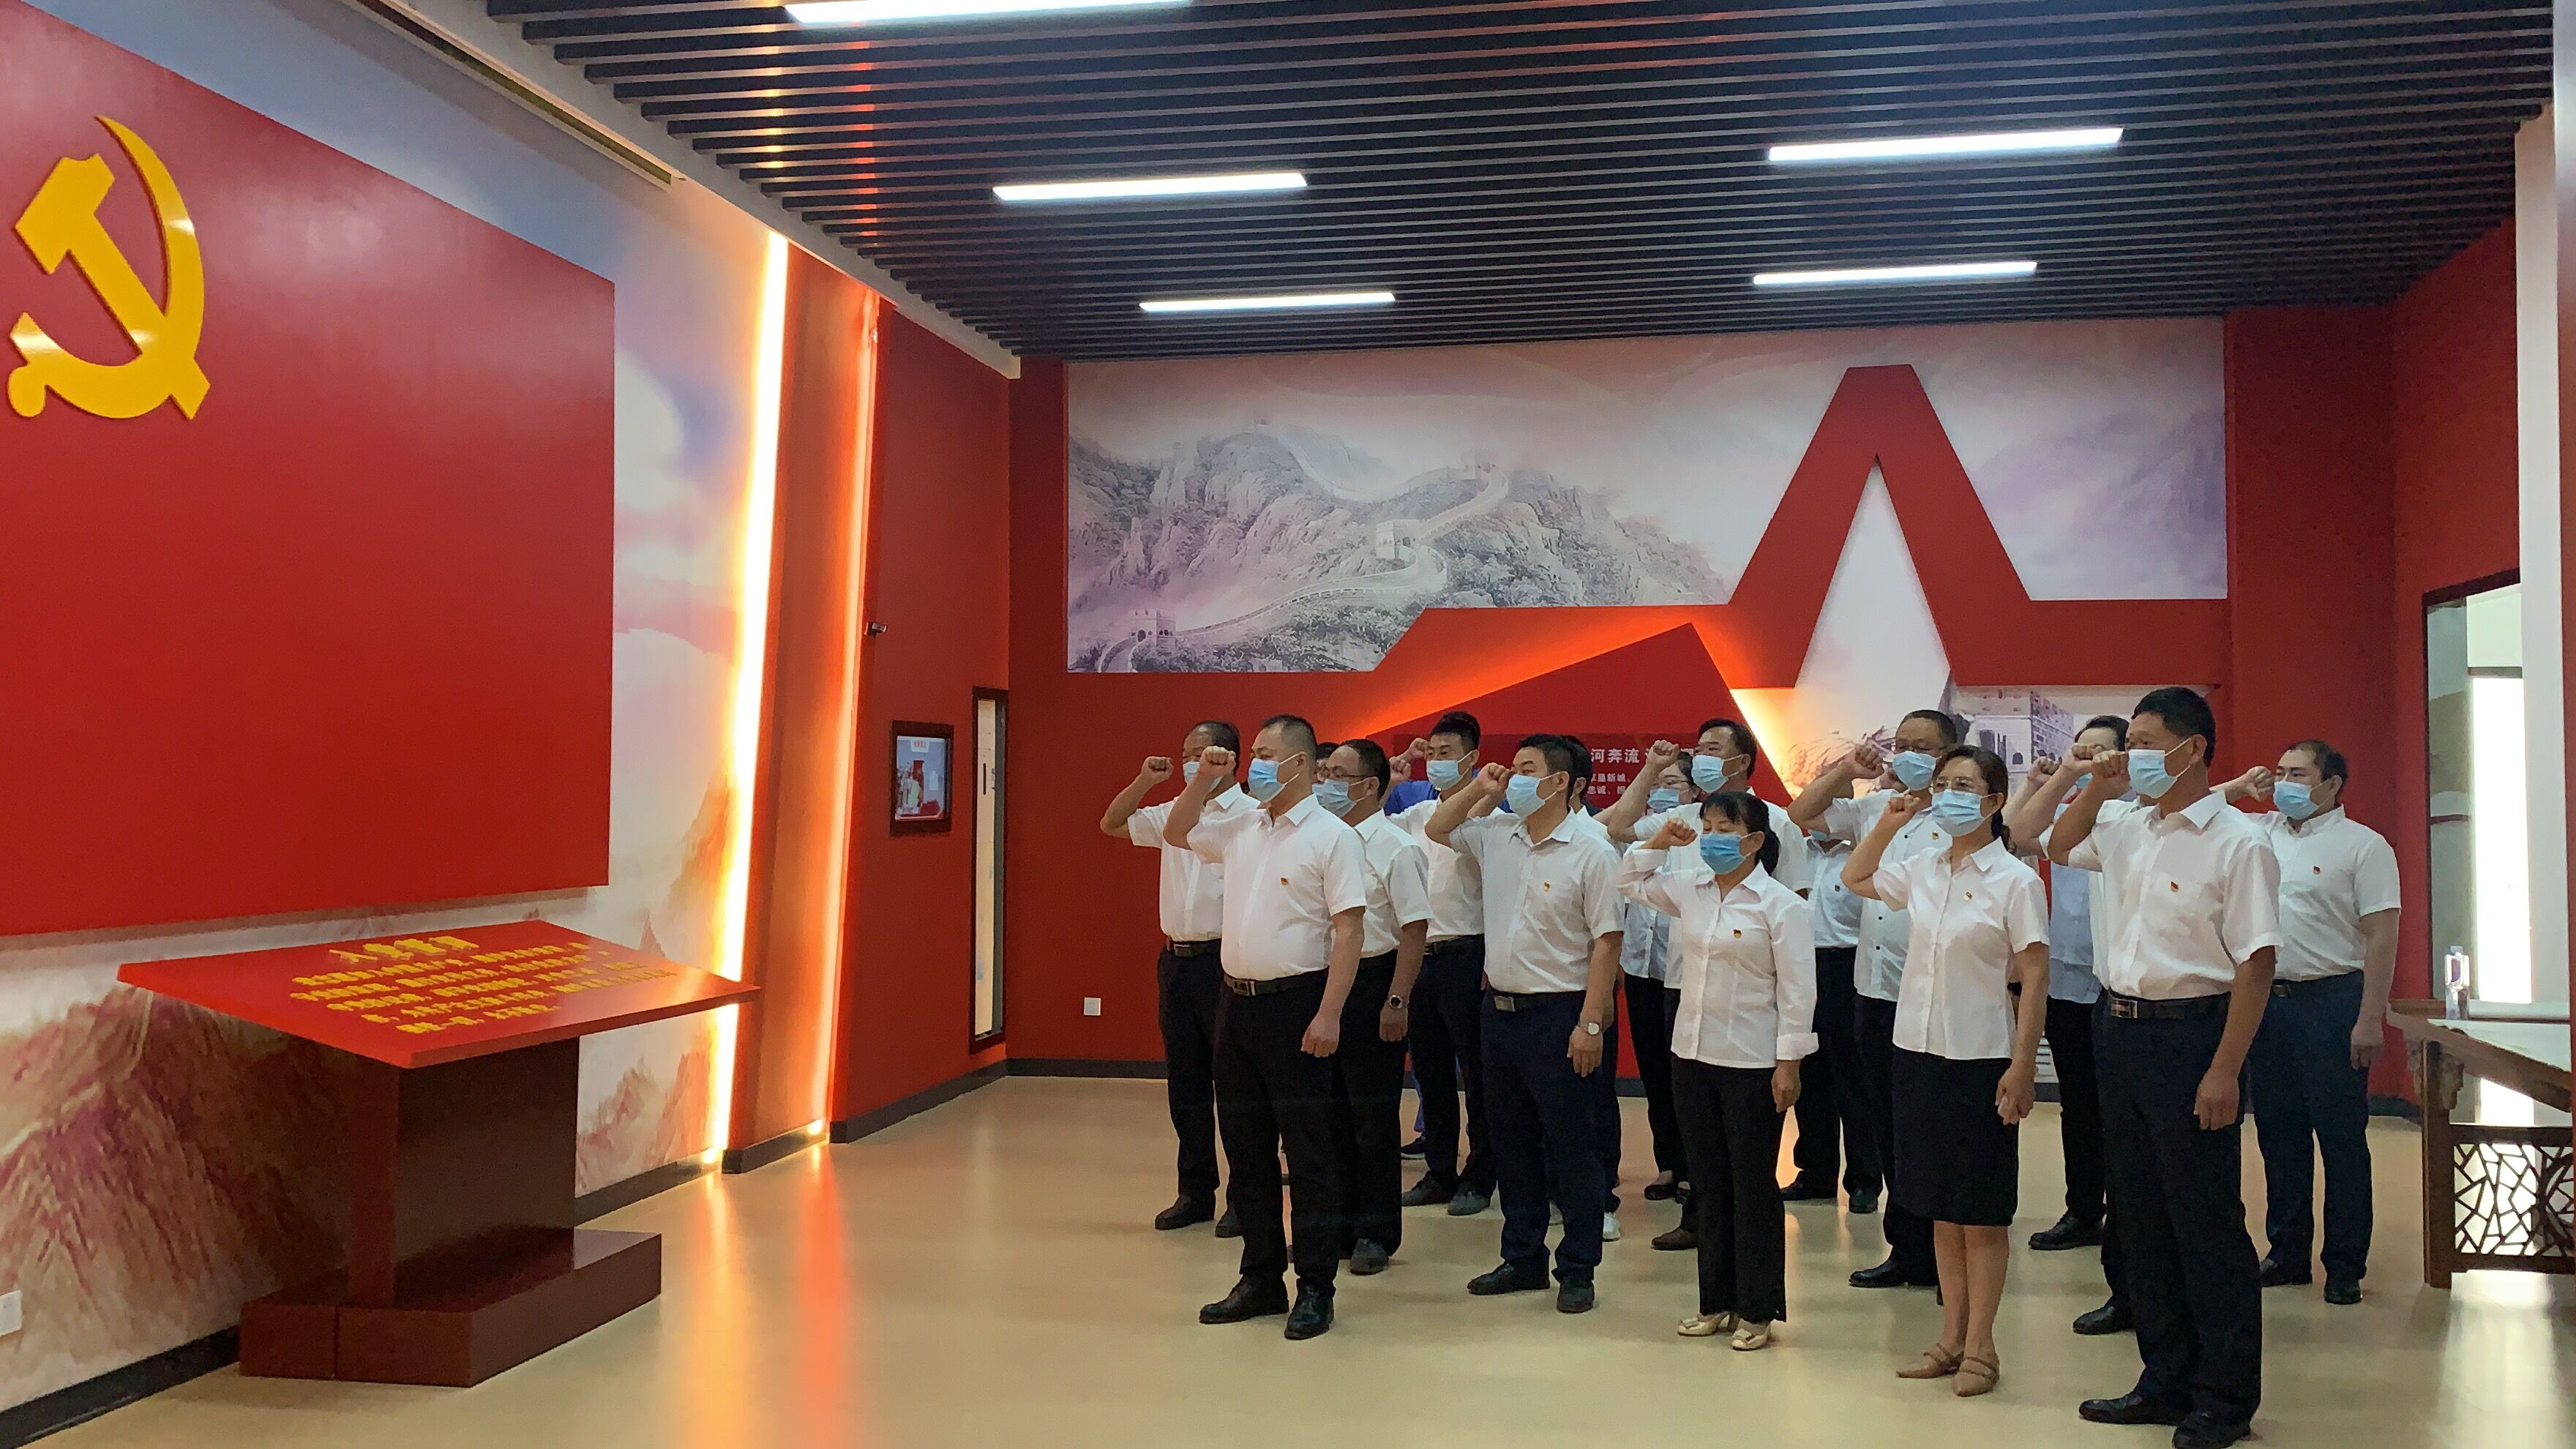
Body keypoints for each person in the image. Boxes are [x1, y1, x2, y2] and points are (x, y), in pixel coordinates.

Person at [2051, 687, 2278, 1449]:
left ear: (2194, 748)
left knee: (2203, 1221)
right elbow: (2058, 845)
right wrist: (2097, 784)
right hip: (2118, 1030)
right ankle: (2164, 1378)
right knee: (2140, 1215)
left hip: (2193, 1037)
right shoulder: (2128, 826)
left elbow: (2255, 964)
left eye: (2146, 742)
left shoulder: (2237, 841)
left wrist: (2224, 1072)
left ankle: (2224, 1397)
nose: (2133, 754)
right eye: (2131, 741)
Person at [1846, 746, 2050, 1398]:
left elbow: (2035, 976)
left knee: (1980, 1211)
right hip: (1917, 1051)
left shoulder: (2014, 880)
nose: (1949, 795)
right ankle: (1950, 1336)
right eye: (1943, 784)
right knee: (1937, 1206)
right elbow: (1856, 876)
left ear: (1994, 801)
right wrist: (1887, 823)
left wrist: (2023, 1065)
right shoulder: (1925, 867)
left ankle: (1983, 1345)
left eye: (1964, 785)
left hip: (1982, 1057)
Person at [1164, 715, 1369, 1340]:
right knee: (1245, 1148)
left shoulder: (1332, 837)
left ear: (1300, 764)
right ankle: (1260, 1277)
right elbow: (1176, 831)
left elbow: (1350, 930)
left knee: (1307, 1154)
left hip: (1298, 1004)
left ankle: (1316, 1287)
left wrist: (1330, 1013)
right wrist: (1203, 779)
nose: (1252, 762)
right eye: (1252, 752)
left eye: (1265, 753)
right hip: (1236, 1002)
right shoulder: (1243, 826)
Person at [1429, 736, 1625, 1314]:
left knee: (1572, 1145)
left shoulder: (1591, 850)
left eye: (1525, 769)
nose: (1512, 777)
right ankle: (1522, 1257)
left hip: (1560, 1013)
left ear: (1559, 782)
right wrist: (1481, 789)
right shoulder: (1497, 834)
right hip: (1500, 1012)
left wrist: (1591, 1024)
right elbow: (1438, 827)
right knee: (1512, 1141)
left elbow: (1607, 941)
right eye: (1512, 768)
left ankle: (1578, 1268)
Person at [1619, 792, 1816, 1351]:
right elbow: (1629, 880)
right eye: (1706, 826)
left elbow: (1798, 992)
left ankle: (1757, 1309)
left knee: (1751, 1185)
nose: (1711, 837)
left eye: (1724, 828)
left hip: (1753, 1061)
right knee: (1707, 1183)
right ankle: (1715, 1302)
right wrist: (1661, 842)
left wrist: (1789, 1064)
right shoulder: (1691, 889)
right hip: (1692, 1054)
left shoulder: (1781, 906)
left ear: (1754, 840)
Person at [2220, 741, 2399, 1308]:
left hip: (2332, 1001)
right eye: (2279, 773)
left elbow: (2382, 936)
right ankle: (2287, 1252)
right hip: (2267, 1002)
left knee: (2341, 1138)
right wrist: (2240, 788)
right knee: (2278, 1133)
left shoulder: (2364, 846)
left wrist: (2370, 1018)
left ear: (2333, 784)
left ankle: (2344, 1264)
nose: (2284, 783)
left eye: (2298, 774)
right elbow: (2194, 810)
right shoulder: (2258, 832)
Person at [1788, 708, 1962, 1288]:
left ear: (1948, 754)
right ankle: (1906, 1246)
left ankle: (1948, 1251)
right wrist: (1846, 771)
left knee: (1935, 1125)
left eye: (1923, 747)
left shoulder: (1964, 816)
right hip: (1875, 989)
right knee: (1886, 1119)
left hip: (1938, 990)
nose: (1909, 754)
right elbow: (1801, 814)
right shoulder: (1876, 809)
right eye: (1901, 744)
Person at [2001, 717, 2138, 1336]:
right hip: (2067, 978)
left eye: (2104, 748)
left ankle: (2125, 1228)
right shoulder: (2072, 807)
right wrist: (2062, 776)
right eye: (2084, 747)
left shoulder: (2134, 811)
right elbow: (2019, 834)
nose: (2092, 756)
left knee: (2121, 1116)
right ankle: (2083, 1210)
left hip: (2120, 985)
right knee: (2078, 1107)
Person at [1098, 720, 1252, 1235]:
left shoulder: (1251, 816)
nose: (1190, 761)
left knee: (1235, 1085)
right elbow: (1112, 823)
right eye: (1186, 752)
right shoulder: (1174, 811)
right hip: (1177, 962)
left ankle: (1244, 1196)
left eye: (1201, 752)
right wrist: (1145, 781)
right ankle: (1195, 1191)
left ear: (1229, 757)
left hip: (1226, 961)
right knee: (1186, 1083)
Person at [1317, 738, 1433, 1276]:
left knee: (1371, 1115)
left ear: (1369, 786)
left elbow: (1414, 929)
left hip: (1375, 981)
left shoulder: (1396, 847)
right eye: (1323, 772)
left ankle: (1375, 1232)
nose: (1325, 782)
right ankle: (1337, 1226)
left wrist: (1397, 999)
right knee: (1329, 1113)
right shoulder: (1324, 840)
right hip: (1325, 981)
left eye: (1337, 774)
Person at [1389, 714, 1496, 1216]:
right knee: (1429, 1072)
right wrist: (1392, 778)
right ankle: (1438, 1171)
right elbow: (1362, 829)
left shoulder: (1490, 815)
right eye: (1431, 753)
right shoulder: (1415, 813)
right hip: (1419, 955)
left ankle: (1481, 1174)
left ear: (1472, 758)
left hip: (1467, 953)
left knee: (1477, 1074)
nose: (1435, 762)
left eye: (1447, 753)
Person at [1602, 718, 1812, 894]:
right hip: (1687, 929)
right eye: (1698, 751)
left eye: (1712, 749)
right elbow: (1620, 829)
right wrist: (1652, 768)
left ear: (1743, 762)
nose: (1702, 757)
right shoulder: (1681, 817)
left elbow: (1795, 895)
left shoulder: (1778, 822)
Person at [1787, 806, 1873, 1215]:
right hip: (1802, 966)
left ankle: (1864, 1181)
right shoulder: (1796, 851)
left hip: (1849, 967)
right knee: (1808, 1076)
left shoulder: (1862, 854)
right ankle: (1814, 1174)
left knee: (1853, 1080)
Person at [1622, 755, 1696, 1228]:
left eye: (1673, 782)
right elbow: (1615, 825)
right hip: (1641, 967)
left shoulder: (1701, 830)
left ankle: (1693, 1169)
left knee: (1684, 1075)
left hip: (1682, 972)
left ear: (1694, 790)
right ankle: (1668, 1163)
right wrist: (1648, 772)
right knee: (1653, 1072)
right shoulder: (1648, 827)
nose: (1663, 790)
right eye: (1658, 784)